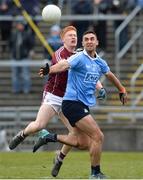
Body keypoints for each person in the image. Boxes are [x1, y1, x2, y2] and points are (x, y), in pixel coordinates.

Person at [8, 26, 106, 177]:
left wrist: (100, 87)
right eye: (69, 36)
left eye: (75, 35)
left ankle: (59, 160)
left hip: (70, 99)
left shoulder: (82, 54)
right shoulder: (60, 54)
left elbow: (90, 71)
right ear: (63, 39)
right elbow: (64, 66)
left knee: (76, 136)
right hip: (54, 95)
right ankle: (22, 134)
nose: (73, 37)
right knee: (39, 124)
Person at [32, 30, 127, 179]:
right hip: (72, 103)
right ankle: (95, 173)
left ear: (97, 42)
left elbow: (110, 75)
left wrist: (121, 89)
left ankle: (49, 137)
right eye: (86, 39)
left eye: (92, 39)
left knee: (82, 143)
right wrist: (49, 69)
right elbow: (63, 65)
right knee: (98, 136)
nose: (89, 41)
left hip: (82, 105)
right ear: (82, 43)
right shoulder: (79, 57)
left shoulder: (100, 62)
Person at [9, 21, 34, 94]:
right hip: (14, 57)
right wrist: (12, 51)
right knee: (15, 75)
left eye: (21, 25)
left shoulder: (27, 34)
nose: (20, 26)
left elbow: (31, 44)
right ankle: (16, 89)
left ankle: (26, 90)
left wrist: (29, 51)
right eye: (18, 25)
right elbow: (10, 44)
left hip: (24, 57)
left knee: (25, 75)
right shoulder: (13, 34)